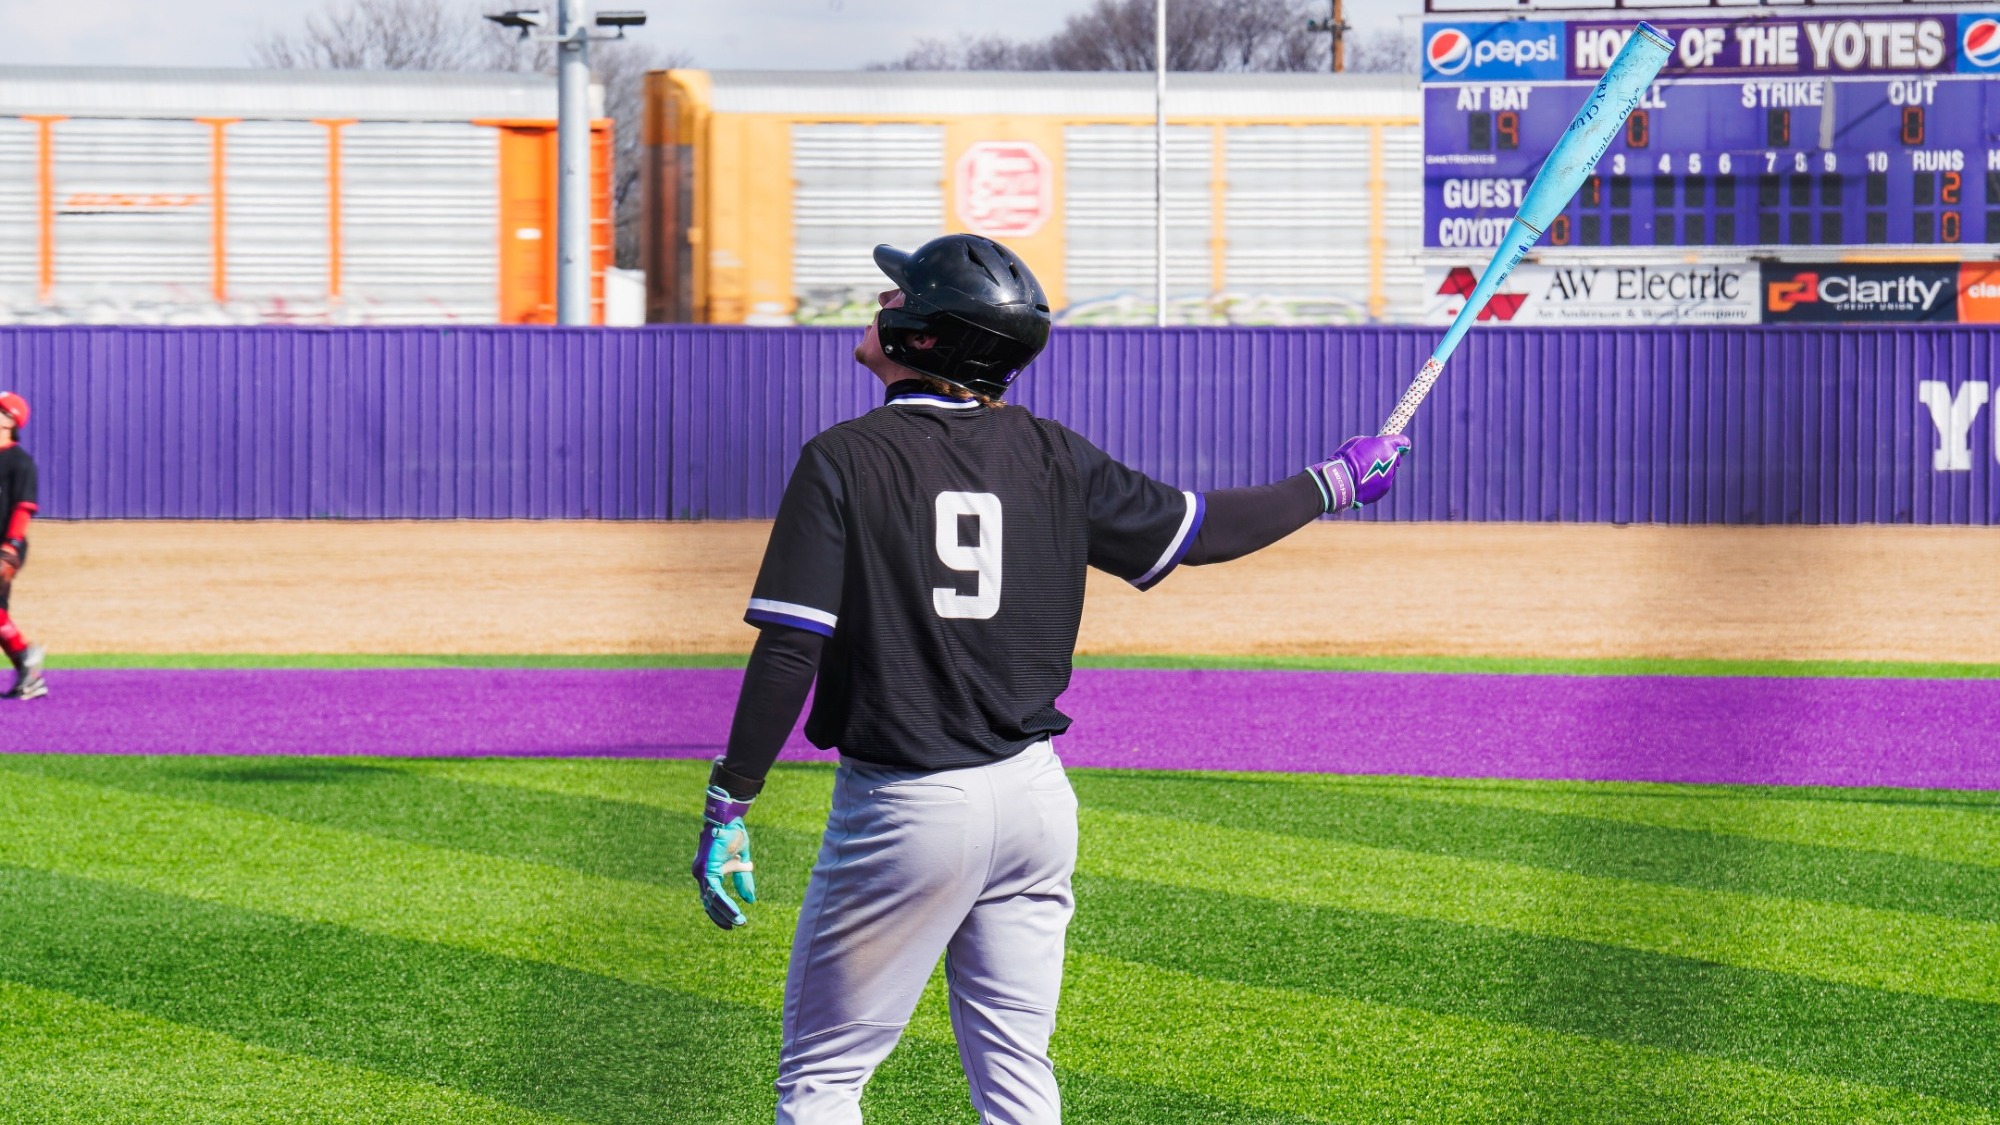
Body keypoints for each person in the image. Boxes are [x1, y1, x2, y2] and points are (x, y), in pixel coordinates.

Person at [693, 235, 1409, 1125]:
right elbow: (1204, 532)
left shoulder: (845, 457)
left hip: (908, 806)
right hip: (1034, 802)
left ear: (925, 336)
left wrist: (732, 799)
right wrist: (1332, 481)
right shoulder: (1053, 456)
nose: (882, 301)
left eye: (898, 294)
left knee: (823, 1082)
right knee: (1018, 1078)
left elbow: (793, 650)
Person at [0, 391, 43, 701]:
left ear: (9, 420)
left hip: (5, 545)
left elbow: (23, 507)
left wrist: (11, 547)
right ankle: (28, 669)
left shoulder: (19, 462)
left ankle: (28, 663)